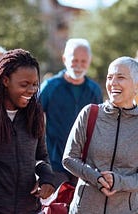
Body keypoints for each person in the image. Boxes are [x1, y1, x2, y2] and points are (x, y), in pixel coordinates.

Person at [0, 48, 55, 214]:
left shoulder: (35, 112)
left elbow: (41, 156)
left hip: (29, 208)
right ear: (5, 80)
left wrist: (47, 178)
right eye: (24, 84)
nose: (31, 90)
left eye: (35, 84)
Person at [62, 56, 138, 214]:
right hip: (84, 209)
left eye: (121, 77)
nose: (113, 83)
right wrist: (97, 178)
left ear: (136, 86)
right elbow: (69, 158)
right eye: (110, 77)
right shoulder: (90, 113)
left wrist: (119, 182)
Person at [39, 38, 103, 188]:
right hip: (55, 162)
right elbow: (33, 117)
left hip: (84, 165)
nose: (79, 65)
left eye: (83, 61)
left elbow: (100, 125)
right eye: (74, 60)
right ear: (64, 59)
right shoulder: (50, 86)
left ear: (89, 60)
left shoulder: (94, 90)